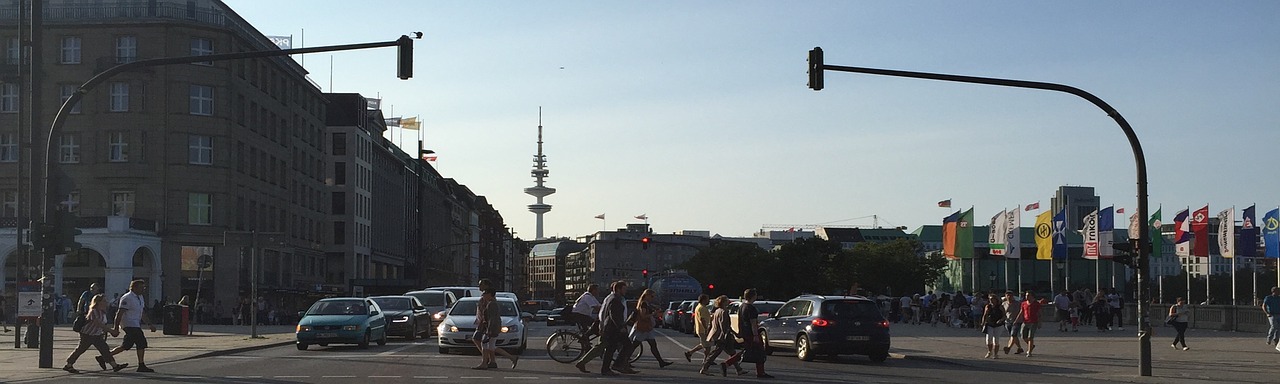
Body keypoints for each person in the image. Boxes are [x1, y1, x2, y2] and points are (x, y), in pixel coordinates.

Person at [574, 280, 638, 375]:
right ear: (618, 289)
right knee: (624, 346)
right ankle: (617, 365)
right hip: (613, 328)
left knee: (609, 348)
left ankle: (614, 367)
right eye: (624, 289)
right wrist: (620, 327)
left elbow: (604, 312)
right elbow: (613, 315)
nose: (626, 291)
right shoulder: (615, 299)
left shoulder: (612, 298)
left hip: (609, 327)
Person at [63, 294, 129, 373]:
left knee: (104, 349)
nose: (106, 302)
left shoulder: (102, 312)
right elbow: (98, 323)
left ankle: (114, 365)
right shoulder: (94, 311)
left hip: (97, 335)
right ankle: (68, 365)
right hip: (88, 334)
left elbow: (103, 324)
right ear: (98, 302)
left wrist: (105, 332)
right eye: (104, 301)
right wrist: (111, 331)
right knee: (80, 349)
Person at [106, 279, 157, 373]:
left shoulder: (140, 297)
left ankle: (105, 357)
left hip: (136, 323)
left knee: (126, 345)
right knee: (141, 342)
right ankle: (141, 365)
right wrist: (116, 328)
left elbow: (142, 313)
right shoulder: (127, 298)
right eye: (141, 287)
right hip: (129, 324)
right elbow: (119, 313)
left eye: (144, 287)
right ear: (134, 288)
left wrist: (149, 324)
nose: (143, 289)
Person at [720, 288, 772, 378]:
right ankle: (760, 372)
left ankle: (727, 364)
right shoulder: (751, 308)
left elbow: (740, 321)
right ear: (753, 296)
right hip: (751, 333)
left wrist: (740, 332)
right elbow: (753, 323)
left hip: (745, 332)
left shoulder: (742, 306)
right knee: (760, 351)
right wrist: (756, 335)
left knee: (747, 350)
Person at [627, 289, 673, 368]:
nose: (652, 298)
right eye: (652, 296)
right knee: (635, 344)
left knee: (653, 345)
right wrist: (653, 314)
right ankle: (624, 360)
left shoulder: (646, 304)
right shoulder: (643, 304)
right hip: (643, 328)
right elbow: (643, 316)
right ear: (647, 295)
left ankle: (661, 362)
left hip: (647, 328)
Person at [700, 295, 745, 376]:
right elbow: (724, 325)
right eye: (727, 300)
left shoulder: (717, 311)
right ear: (724, 302)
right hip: (722, 335)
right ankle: (704, 368)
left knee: (731, 352)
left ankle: (739, 369)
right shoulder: (724, 311)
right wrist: (728, 334)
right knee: (716, 353)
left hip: (717, 334)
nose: (728, 301)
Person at [474, 289, 519, 370]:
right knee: (491, 346)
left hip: (491, 328)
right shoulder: (491, 303)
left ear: (490, 294)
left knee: (485, 345)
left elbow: (493, 318)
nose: (483, 295)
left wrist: (489, 330)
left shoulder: (492, 304)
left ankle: (484, 363)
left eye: (485, 294)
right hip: (492, 328)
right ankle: (511, 358)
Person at [683, 294, 713, 362]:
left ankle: (691, 353)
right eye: (707, 299)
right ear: (704, 300)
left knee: (705, 344)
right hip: (703, 329)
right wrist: (706, 328)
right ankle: (706, 360)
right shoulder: (702, 308)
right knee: (707, 345)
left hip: (700, 329)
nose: (709, 300)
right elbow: (702, 319)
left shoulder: (700, 307)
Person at [1019, 290, 1046, 357]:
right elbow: (1021, 312)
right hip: (1025, 322)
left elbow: (1040, 314)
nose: (1026, 297)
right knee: (1023, 336)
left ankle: (1029, 351)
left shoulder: (1036, 304)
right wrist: (1017, 320)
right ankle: (1031, 345)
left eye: (1028, 295)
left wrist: (1040, 322)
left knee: (1030, 337)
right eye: (1026, 295)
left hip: (1033, 322)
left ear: (1032, 296)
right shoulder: (1023, 303)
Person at [979, 293, 1005, 359]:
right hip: (989, 324)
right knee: (988, 339)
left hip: (998, 325)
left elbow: (1004, 316)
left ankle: (996, 354)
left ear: (996, 300)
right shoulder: (988, 306)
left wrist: (1001, 320)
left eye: (993, 299)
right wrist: (983, 322)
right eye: (990, 299)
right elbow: (985, 315)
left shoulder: (1000, 306)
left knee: (996, 340)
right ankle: (989, 351)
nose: (992, 301)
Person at [1001, 291, 1023, 355]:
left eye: (1010, 295)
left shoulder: (1017, 303)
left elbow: (1021, 312)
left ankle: (1008, 348)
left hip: (1016, 321)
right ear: (1005, 296)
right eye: (1007, 295)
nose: (1009, 297)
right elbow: (1003, 312)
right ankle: (1020, 348)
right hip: (1007, 321)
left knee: (1013, 335)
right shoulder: (1004, 304)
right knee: (1013, 336)